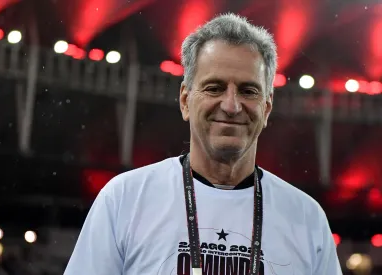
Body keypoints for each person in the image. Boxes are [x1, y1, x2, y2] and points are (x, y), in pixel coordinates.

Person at [64, 13, 342, 275]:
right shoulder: (125, 199)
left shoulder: (307, 219)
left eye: (248, 90)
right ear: (185, 100)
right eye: (214, 88)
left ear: (267, 107)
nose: (232, 106)